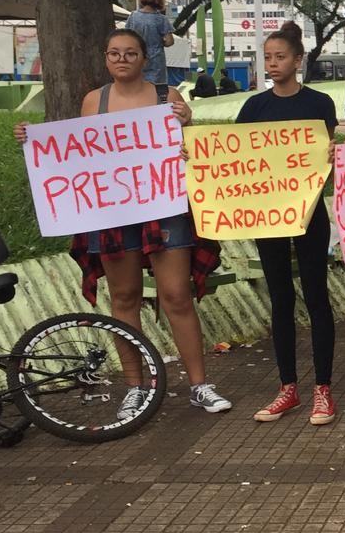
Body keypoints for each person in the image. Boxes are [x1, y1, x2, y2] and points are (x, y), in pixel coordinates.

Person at [13, 30, 231, 420]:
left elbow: (193, 152)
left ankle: (199, 384)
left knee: (177, 295)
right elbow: (76, 153)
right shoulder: (94, 102)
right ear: (105, 58)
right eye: (114, 52)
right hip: (111, 211)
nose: (122, 59)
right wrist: (32, 141)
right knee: (125, 298)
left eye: (130, 53)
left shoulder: (169, 99)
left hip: (163, 208)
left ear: (144, 58)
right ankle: (135, 386)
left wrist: (188, 126)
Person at [236, 23, 340, 426]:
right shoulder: (254, 109)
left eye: (280, 57)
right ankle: (288, 388)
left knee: (317, 297)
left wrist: (333, 153)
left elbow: (323, 161)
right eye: (267, 57)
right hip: (268, 216)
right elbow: (234, 163)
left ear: (298, 61)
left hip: (310, 214)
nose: (273, 64)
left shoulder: (319, 103)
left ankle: (323, 390)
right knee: (280, 298)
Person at [124, 0, 174, 90]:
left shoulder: (133, 16)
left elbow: (126, 35)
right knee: (157, 90)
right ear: (159, 0)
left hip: (136, 55)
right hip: (156, 58)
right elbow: (170, 42)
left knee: (137, 86)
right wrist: (161, 42)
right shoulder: (161, 19)